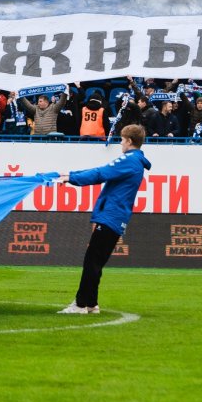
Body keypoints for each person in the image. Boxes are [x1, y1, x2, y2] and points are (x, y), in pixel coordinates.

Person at [57, 123, 152, 315]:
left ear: (129, 141)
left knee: (91, 261)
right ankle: (91, 304)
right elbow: (101, 172)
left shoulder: (130, 160)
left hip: (110, 216)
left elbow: (101, 173)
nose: (121, 143)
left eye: (122, 140)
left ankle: (80, 304)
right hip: (114, 217)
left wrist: (71, 178)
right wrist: (71, 176)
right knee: (95, 262)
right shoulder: (136, 162)